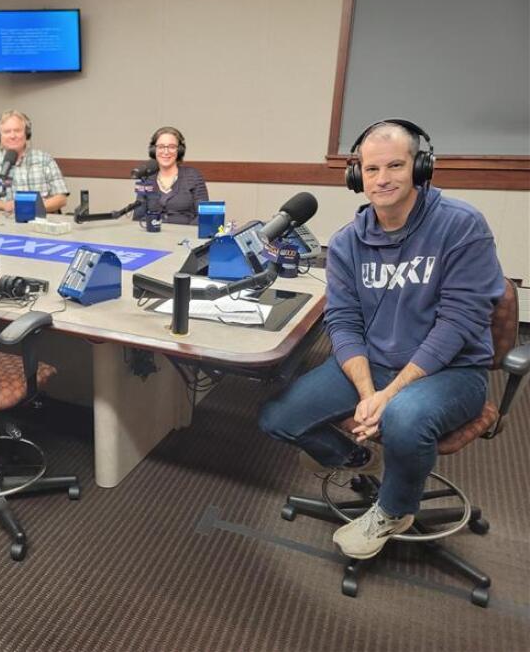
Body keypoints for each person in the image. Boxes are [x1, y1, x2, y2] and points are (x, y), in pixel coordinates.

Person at [258, 119, 504, 560]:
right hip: (375, 364)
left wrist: (390, 395)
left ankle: (395, 508)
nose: (382, 179)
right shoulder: (349, 242)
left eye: (395, 165)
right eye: (371, 169)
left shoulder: (461, 226)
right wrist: (369, 391)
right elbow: (344, 323)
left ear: (420, 167)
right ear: (357, 176)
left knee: (402, 418)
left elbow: (458, 324)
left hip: (453, 371)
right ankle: (354, 461)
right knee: (278, 417)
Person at [0, 109, 68, 214]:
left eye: (17, 130)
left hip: (40, 224)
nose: (13, 136)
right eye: (7, 132)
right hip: (4, 224)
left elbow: (61, 198)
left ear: (27, 133)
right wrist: (4, 205)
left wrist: (31, 208)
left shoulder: (44, 159)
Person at [132, 126, 209, 225]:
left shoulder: (193, 176)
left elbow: (203, 216)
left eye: (172, 147)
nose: (166, 152)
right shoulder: (146, 178)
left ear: (179, 151)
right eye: (161, 147)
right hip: (152, 236)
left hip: (185, 237)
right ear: (153, 150)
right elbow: (138, 217)